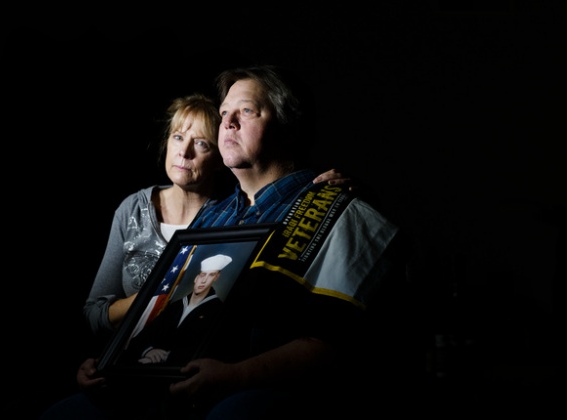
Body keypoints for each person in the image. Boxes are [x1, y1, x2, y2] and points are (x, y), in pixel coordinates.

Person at [40, 66, 400, 420]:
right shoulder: (211, 218)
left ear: (287, 127)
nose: (227, 123)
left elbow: (339, 342)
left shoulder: (341, 211)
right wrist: (110, 365)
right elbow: (164, 316)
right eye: (225, 113)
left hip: (263, 393)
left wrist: (236, 376)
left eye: (246, 111)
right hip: (172, 387)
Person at [82, 93, 352, 346]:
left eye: (201, 143)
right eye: (178, 137)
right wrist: (159, 294)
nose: (184, 152)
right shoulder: (133, 210)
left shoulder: (233, 216)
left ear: (221, 156)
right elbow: (94, 314)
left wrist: (339, 188)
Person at [124, 254, 233, 366]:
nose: (204, 280)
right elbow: (139, 339)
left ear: (216, 277)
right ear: (196, 278)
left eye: (211, 275)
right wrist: (148, 351)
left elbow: (211, 352)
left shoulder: (218, 310)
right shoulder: (175, 306)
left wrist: (163, 359)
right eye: (202, 275)